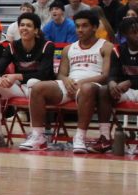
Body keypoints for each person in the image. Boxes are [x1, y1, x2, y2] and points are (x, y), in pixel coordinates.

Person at [24, 11, 112, 152]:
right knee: (37, 87)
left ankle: (80, 137)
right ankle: (38, 136)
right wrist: (66, 81)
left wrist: (82, 82)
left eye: (84, 26)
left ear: (95, 27)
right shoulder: (68, 48)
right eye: (77, 26)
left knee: (87, 88)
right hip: (70, 84)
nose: (80, 30)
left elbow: (105, 75)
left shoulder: (105, 46)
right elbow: (61, 74)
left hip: (92, 85)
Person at [0, 13, 56, 147]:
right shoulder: (12, 46)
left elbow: (43, 74)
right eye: (22, 25)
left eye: (29, 25)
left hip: (43, 90)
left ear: (36, 30)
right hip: (22, 89)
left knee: (32, 83)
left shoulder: (47, 45)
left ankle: (36, 134)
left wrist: (17, 76)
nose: (24, 28)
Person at [99, 17, 138, 151]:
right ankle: (104, 137)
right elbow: (113, 72)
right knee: (104, 91)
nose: (137, 34)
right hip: (127, 91)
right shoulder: (119, 50)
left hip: (132, 87)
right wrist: (111, 83)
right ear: (124, 34)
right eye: (134, 32)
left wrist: (131, 81)